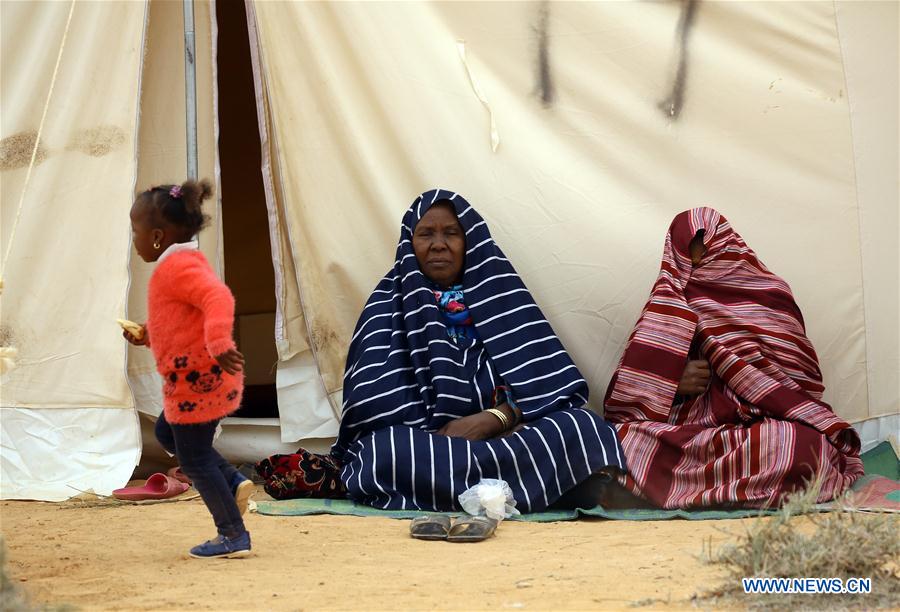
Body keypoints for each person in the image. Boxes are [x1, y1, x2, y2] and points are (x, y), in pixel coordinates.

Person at [329, 188, 625, 515]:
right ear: (409, 245)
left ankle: (458, 492)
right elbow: (372, 403)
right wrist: (442, 430)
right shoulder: (388, 306)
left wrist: (494, 417)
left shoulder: (501, 296)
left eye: (451, 233)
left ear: (469, 241)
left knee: (582, 426)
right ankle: (530, 491)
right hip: (429, 444)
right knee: (384, 452)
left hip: (502, 437)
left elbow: (546, 386)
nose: (439, 244)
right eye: (426, 233)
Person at [604, 207, 864, 509]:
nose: (697, 260)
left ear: (725, 241)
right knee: (622, 440)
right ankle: (728, 489)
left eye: (702, 247)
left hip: (762, 423)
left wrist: (745, 386)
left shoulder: (771, 292)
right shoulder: (669, 301)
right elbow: (625, 399)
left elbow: (799, 380)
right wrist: (672, 382)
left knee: (800, 447)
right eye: (686, 252)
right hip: (698, 428)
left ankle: (689, 489)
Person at [125, 180, 254, 558]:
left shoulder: (177, 266)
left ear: (157, 237)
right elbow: (180, 319)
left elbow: (217, 297)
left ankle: (232, 533)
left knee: (195, 459)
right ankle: (231, 481)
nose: (134, 241)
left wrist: (218, 344)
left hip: (198, 381)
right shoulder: (177, 263)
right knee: (167, 431)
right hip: (194, 381)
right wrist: (149, 335)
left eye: (136, 232)